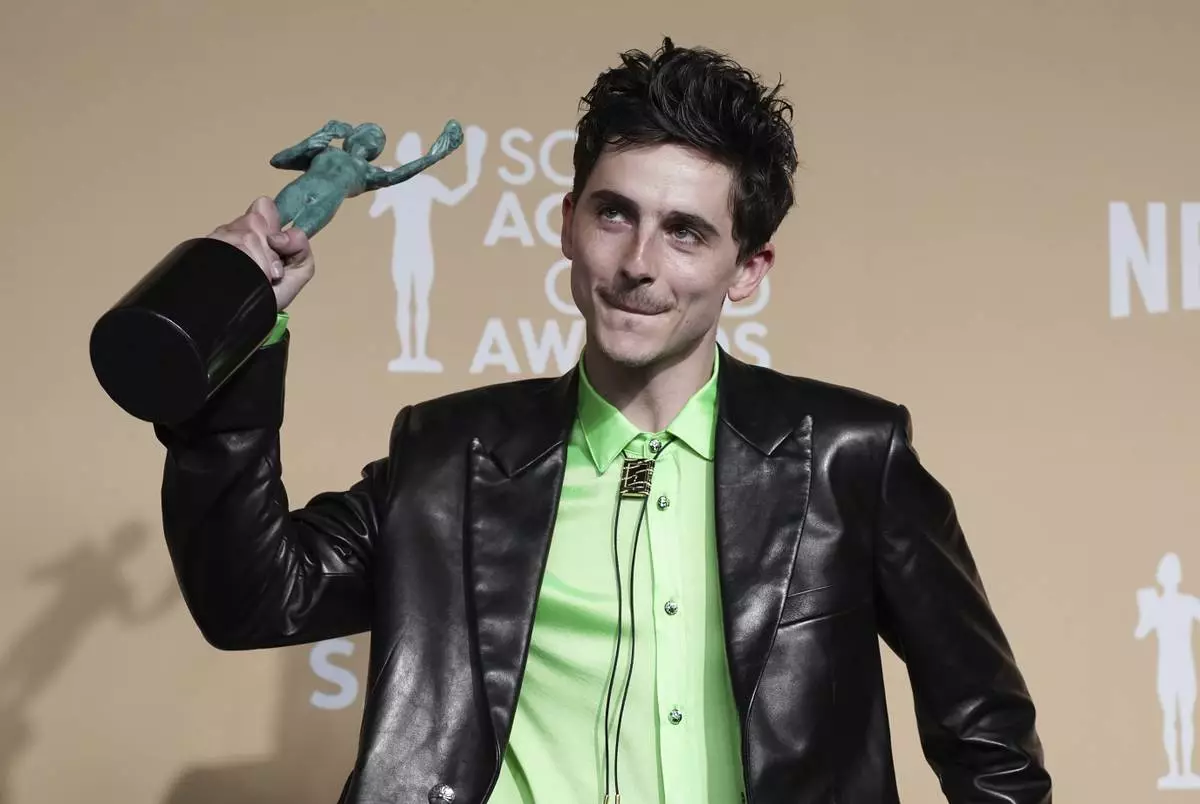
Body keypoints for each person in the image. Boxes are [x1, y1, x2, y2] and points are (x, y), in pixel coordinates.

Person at [159, 37, 1052, 804]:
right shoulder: (449, 455)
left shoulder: (850, 457)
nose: (637, 262)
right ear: (566, 225)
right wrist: (234, 331)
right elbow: (252, 599)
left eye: (687, 231)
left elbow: (990, 737)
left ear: (748, 268)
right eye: (614, 213)